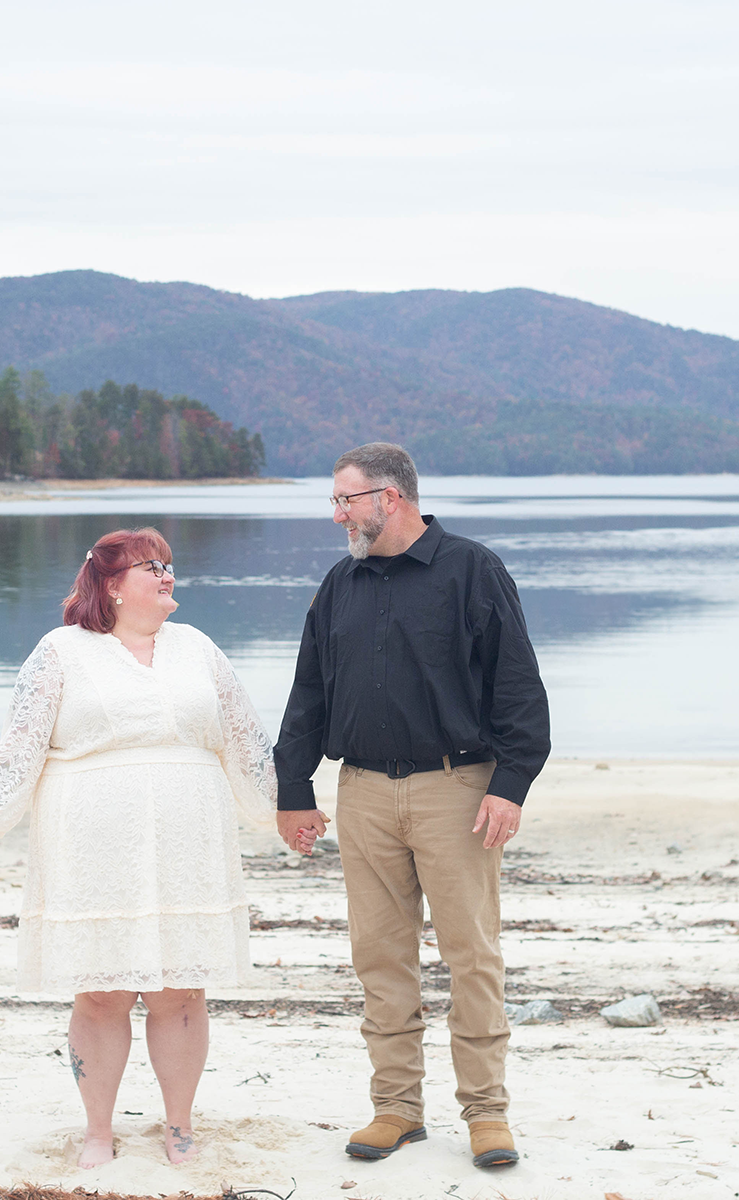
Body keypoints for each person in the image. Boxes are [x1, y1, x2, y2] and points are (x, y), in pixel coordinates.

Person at [0, 527, 277, 1168]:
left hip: (189, 839)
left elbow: (244, 739)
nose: (166, 574)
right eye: (150, 566)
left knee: (181, 989)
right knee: (101, 991)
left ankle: (178, 1125)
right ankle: (98, 1128)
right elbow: (20, 747)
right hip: (92, 842)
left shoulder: (199, 648)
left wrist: (284, 811)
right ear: (110, 584)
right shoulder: (61, 652)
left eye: (169, 564)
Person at [273, 443, 550, 1169]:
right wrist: (293, 789)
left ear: (390, 499)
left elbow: (518, 685)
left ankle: (487, 1114)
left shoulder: (472, 570)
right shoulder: (340, 584)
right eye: (334, 501)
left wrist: (510, 784)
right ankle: (395, 1108)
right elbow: (309, 692)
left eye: (345, 500)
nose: (336, 516)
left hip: (456, 791)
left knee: (472, 957)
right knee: (379, 959)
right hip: (360, 793)